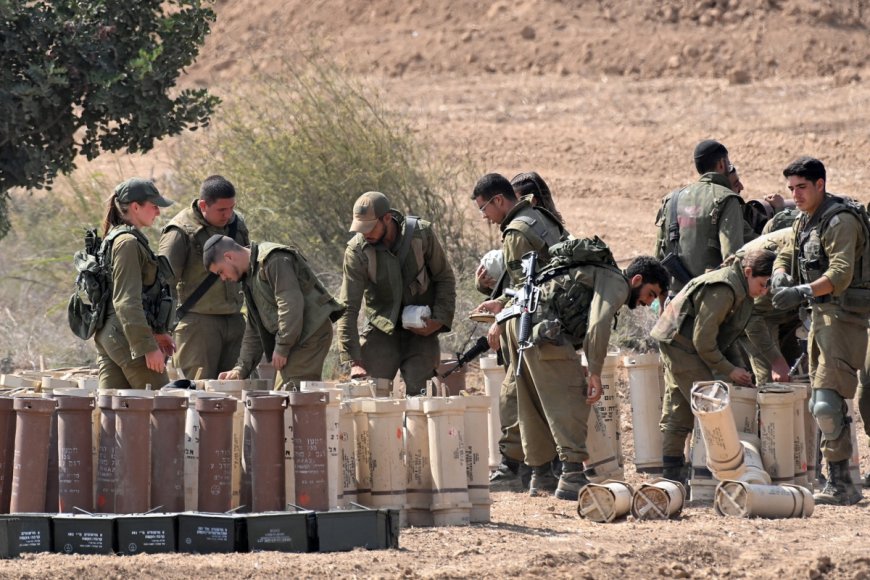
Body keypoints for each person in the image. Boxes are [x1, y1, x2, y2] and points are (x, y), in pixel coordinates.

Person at [484, 251, 669, 501]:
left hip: (519, 323)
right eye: (651, 294)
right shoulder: (616, 282)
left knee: (532, 403)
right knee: (570, 396)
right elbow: (598, 324)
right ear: (636, 280)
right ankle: (571, 476)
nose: (648, 303)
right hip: (542, 329)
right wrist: (594, 370)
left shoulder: (591, 271)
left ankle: (541, 476)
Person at [771, 156, 870, 506]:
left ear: (820, 185)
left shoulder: (840, 221)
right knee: (822, 402)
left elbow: (841, 274)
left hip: (846, 318)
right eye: (791, 189)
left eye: (801, 187)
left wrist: (800, 291)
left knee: (826, 404)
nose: (795, 195)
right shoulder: (804, 220)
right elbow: (786, 252)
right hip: (820, 318)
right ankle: (840, 479)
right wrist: (781, 274)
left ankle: (843, 484)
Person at [471, 173, 570, 493]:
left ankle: (513, 468)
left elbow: (523, 291)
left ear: (499, 201)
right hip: (556, 320)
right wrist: (498, 301)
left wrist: (501, 319)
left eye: (484, 208)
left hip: (534, 326)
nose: (484, 217)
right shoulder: (540, 218)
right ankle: (541, 470)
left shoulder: (515, 232)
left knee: (515, 393)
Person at [652, 248, 777, 484]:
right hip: (680, 345)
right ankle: (704, 475)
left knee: (680, 406)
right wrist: (730, 371)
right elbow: (704, 341)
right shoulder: (724, 289)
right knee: (709, 404)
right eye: (763, 283)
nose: (765, 291)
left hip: (683, 343)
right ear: (748, 272)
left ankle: (672, 474)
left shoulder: (740, 289)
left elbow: (726, 337)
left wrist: (739, 372)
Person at [336, 192, 456, 394]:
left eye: (370, 227)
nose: (365, 234)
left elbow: (444, 277)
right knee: (371, 396)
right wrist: (354, 360)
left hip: (421, 331)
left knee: (423, 397)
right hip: (381, 328)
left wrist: (439, 319)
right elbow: (348, 307)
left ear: (387, 218)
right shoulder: (357, 252)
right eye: (361, 229)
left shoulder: (421, 235)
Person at [203, 235, 344, 388]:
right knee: (287, 398)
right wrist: (241, 369)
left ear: (229, 257)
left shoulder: (274, 260)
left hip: (310, 334)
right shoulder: (250, 276)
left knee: (290, 397)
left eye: (220, 272)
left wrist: (283, 346)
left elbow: (290, 306)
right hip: (295, 337)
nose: (223, 278)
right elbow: (255, 329)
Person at [159, 175, 250, 380]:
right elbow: (165, 285)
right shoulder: (180, 232)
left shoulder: (237, 224)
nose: (228, 215)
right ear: (203, 205)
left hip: (235, 319)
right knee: (197, 392)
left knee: (236, 392)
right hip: (198, 324)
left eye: (231, 208)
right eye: (221, 210)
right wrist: (161, 330)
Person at [94, 178, 176, 390]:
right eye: (154, 206)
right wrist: (147, 347)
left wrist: (157, 333)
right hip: (126, 338)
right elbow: (126, 301)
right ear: (135, 207)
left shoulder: (119, 238)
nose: (158, 212)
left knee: (114, 413)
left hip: (113, 334)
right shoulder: (127, 243)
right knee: (161, 408)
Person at [655, 140, 750, 294]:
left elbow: (659, 254)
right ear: (721, 164)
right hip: (709, 296)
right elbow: (732, 257)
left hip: (675, 298)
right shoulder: (727, 199)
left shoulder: (672, 199)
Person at [739, 223, 802, 385]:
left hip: (787, 311)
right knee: (770, 380)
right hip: (757, 312)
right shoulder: (762, 278)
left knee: (796, 373)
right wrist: (776, 360)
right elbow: (752, 317)